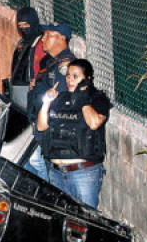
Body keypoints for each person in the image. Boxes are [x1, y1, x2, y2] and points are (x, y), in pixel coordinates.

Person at [36, 58, 111, 208]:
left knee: (87, 220)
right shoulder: (61, 98)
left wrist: (82, 98)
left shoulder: (97, 99)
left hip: (83, 174)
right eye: (68, 76)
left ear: (87, 79)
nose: (70, 80)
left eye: (75, 76)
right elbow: (41, 127)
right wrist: (47, 103)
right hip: (57, 173)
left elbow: (94, 123)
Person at [25, 22, 76, 180]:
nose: (42, 39)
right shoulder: (50, 62)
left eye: (48, 35)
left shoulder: (65, 66)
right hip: (42, 127)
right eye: (43, 35)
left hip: (52, 133)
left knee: (43, 173)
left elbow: (59, 100)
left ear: (61, 38)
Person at [4, 6, 45, 108]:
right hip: (16, 90)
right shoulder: (22, 43)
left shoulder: (42, 43)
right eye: (20, 26)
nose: (23, 29)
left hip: (31, 90)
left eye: (26, 25)